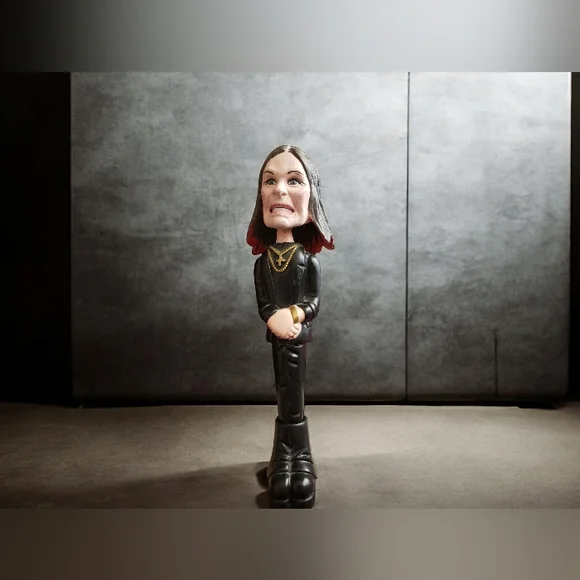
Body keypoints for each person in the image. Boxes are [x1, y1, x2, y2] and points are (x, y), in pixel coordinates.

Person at [247, 144, 334, 508]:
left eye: (294, 180)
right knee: (282, 387)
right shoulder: (262, 263)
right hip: (277, 337)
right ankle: (282, 454)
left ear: (312, 198)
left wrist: (294, 315)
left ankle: (301, 453)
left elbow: (313, 302)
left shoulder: (308, 260)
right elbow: (263, 301)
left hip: (297, 335)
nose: (280, 190)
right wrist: (273, 317)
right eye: (270, 181)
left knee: (295, 389)